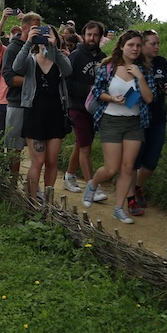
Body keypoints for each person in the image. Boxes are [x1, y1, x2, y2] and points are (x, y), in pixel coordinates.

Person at [82, 30, 156, 224]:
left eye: (138, 45)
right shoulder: (108, 67)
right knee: (111, 168)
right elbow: (98, 92)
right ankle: (93, 183)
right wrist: (112, 98)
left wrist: (139, 77)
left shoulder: (145, 70)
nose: (135, 49)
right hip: (111, 120)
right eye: (131, 45)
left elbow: (149, 98)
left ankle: (118, 208)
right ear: (122, 46)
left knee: (128, 167)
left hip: (134, 123)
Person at [12, 22, 72, 199]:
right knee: (37, 161)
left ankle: (48, 200)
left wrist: (54, 48)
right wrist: (28, 43)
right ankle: (32, 200)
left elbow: (68, 70)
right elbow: (16, 67)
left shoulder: (60, 59)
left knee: (52, 161)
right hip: (34, 115)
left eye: (48, 34)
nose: (44, 38)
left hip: (55, 115)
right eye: (41, 35)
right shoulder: (30, 59)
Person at [128, 30, 167, 210]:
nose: (157, 47)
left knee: (151, 161)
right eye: (152, 43)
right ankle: (130, 197)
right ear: (142, 45)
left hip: (158, 117)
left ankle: (137, 187)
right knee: (134, 160)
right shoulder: (134, 65)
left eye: (158, 43)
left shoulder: (162, 62)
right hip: (137, 119)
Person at [63, 21, 108, 205]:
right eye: (89, 34)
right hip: (78, 107)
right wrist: (89, 88)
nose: (92, 38)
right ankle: (92, 187)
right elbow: (67, 83)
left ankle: (69, 177)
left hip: (95, 109)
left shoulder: (103, 57)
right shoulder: (75, 56)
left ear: (100, 37)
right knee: (85, 147)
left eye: (95, 35)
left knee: (81, 143)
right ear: (84, 35)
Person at [1, 11, 43, 175]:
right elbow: (9, 78)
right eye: (34, 28)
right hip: (17, 103)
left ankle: (34, 187)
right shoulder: (13, 48)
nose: (37, 32)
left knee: (37, 148)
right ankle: (12, 184)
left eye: (39, 29)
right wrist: (33, 80)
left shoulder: (39, 48)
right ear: (24, 28)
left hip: (35, 105)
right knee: (14, 149)